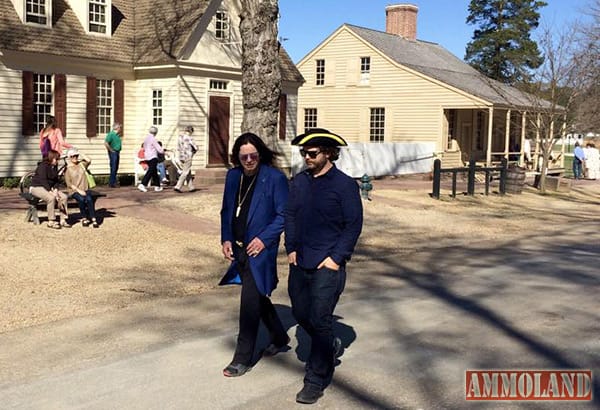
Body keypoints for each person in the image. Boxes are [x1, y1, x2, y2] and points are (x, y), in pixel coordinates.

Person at [285, 128, 363, 404]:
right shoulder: (300, 182)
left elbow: (353, 225)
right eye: (304, 153)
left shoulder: (344, 185)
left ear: (329, 153)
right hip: (300, 260)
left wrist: (336, 258)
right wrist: (290, 249)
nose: (306, 156)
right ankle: (329, 344)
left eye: (312, 153)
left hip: (327, 264)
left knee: (319, 318)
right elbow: (290, 215)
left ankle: (315, 378)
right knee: (300, 312)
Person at [219, 132, 290, 378]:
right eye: (243, 157)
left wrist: (263, 239)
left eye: (253, 156)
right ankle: (280, 337)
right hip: (238, 246)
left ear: (260, 154)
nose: (249, 160)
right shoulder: (233, 176)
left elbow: (283, 215)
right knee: (257, 294)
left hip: (260, 249)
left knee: (248, 302)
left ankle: (242, 358)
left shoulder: (274, 178)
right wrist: (226, 238)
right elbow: (227, 210)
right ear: (237, 158)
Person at [29, 149, 70, 229]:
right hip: (36, 187)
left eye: (58, 159)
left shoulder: (54, 166)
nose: (57, 161)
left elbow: (56, 180)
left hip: (49, 187)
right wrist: (51, 192)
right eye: (56, 159)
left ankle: (63, 219)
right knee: (51, 198)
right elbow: (43, 180)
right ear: (51, 158)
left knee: (64, 197)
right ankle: (51, 221)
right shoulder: (43, 166)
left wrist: (55, 189)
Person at [64, 148, 99, 228]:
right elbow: (69, 184)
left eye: (76, 156)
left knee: (90, 199)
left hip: (85, 188)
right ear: (69, 157)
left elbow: (89, 160)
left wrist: (79, 152)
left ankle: (93, 218)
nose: (75, 157)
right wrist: (78, 190)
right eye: (73, 156)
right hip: (74, 190)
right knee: (81, 199)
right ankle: (84, 218)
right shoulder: (68, 169)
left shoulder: (81, 164)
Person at [138, 126, 164, 192]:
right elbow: (159, 149)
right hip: (153, 157)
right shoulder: (153, 139)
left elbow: (144, 147)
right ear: (155, 132)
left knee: (154, 171)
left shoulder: (146, 139)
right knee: (150, 171)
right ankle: (143, 184)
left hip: (147, 157)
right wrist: (164, 151)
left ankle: (157, 186)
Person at [174, 126, 198, 193]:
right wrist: (194, 151)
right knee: (185, 172)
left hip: (181, 156)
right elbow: (195, 147)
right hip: (188, 156)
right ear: (191, 131)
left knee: (188, 171)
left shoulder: (180, 137)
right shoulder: (190, 138)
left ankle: (191, 187)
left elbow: (178, 148)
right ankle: (178, 186)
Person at [104, 122, 122, 188]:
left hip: (117, 152)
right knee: (114, 167)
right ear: (117, 128)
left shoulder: (117, 135)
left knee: (115, 167)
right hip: (113, 152)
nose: (120, 129)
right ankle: (112, 183)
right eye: (120, 127)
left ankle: (112, 182)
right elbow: (106, 143)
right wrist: (111, 150)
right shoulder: (111, 134)